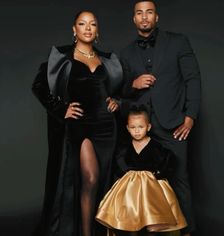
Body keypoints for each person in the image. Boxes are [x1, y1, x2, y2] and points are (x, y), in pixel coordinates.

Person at [32, 11, 123, 236]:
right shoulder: (62, 57)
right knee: (89, 177)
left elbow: (119, 90)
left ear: (97, 30)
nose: (88, 28)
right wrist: (61, 109)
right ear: (75, 30)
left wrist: (117, 101)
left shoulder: (108, 60)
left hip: (105, 127)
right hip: (79, 125)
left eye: (92, 24)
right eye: (82, 24)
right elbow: (39, 86)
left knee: (101, 181)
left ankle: (97, 230)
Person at [119, 1, 201, 235]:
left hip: (173, 124)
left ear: (157, 17)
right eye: (139, 13)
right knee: (141, 187)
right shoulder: (125, 53)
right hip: (140, 131)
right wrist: (133, 84)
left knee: (180, 181)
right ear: (134, 19)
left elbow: (193, 79)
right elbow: (118, 90)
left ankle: (188, 232)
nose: (144, 17)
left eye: (149, 12)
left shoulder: (178, 42)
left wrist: (190, 117)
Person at [96, 105, 187, 236]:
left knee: (151, 219)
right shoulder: (125, 148)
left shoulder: (155, 146)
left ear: (148, 127)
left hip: (150, 189)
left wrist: (159, 174)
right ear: (127, 128)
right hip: (130, 189)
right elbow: (119, 163)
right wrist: (125, 174)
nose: (137, 131)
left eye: (141, 127)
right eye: (133, 127)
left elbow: (168, 161)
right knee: (131, 221)